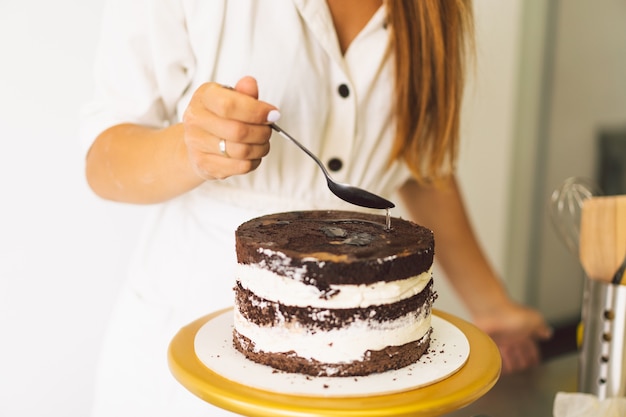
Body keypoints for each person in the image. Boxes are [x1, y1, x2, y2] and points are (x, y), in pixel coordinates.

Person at [81, 0, 552, 415]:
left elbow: (422, 163)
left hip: (370, 377)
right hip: (191, 367)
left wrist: (491, 304)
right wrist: (192, 149)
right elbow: (103, 161)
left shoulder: (436, 8)